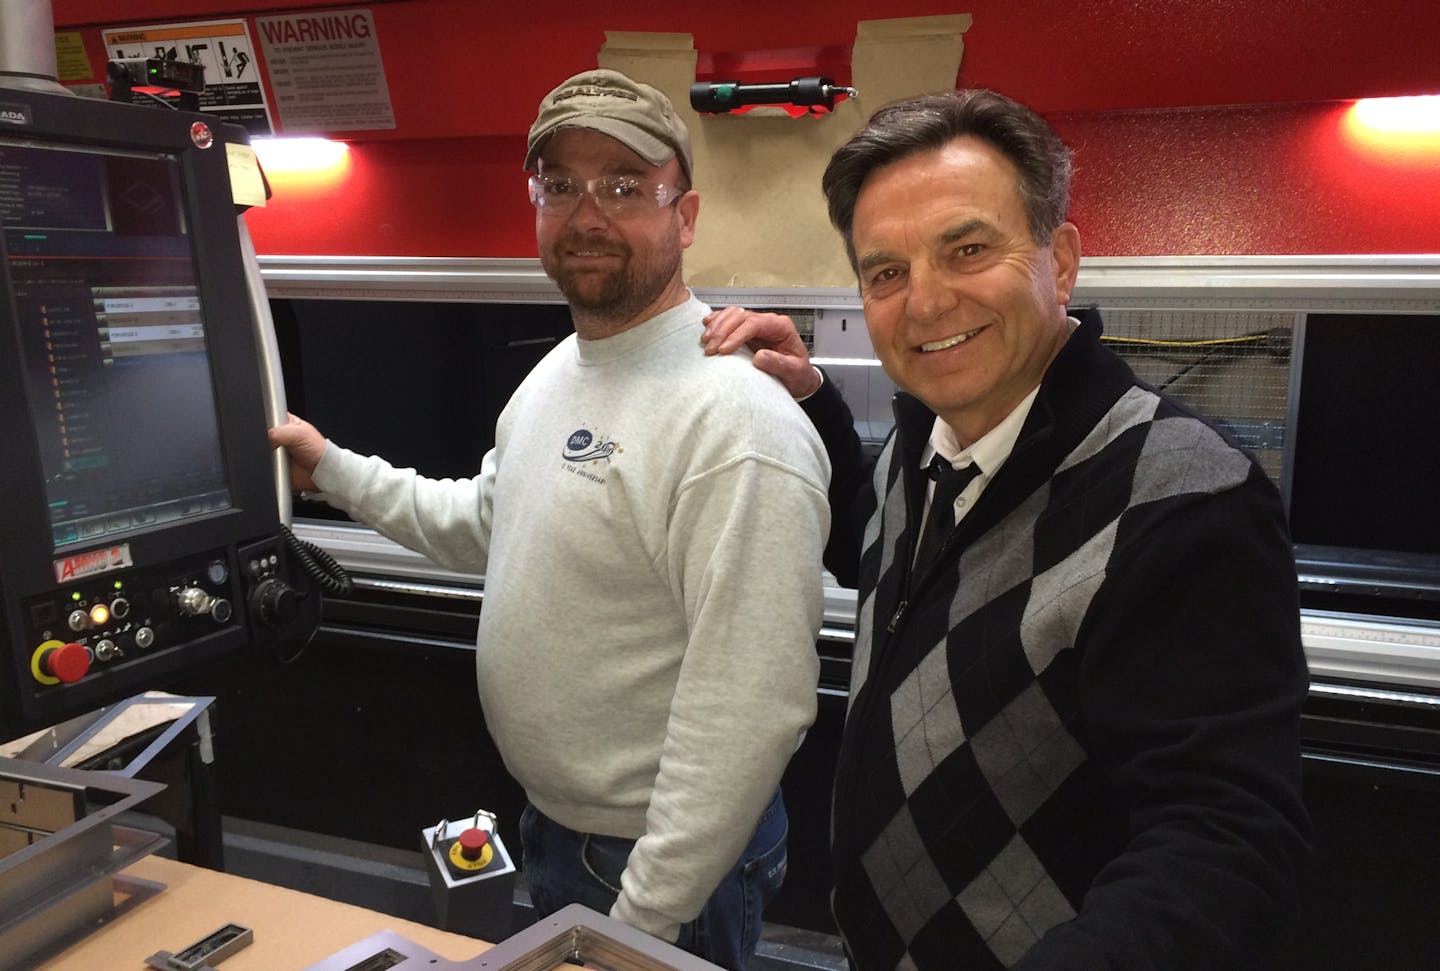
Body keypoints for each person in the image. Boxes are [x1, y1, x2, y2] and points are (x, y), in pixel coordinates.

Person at [701, 89, 1311, 970]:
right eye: (886, 272)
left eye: (968, 249)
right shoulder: (923, 442)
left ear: (1059, 262)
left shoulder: (1182, 495)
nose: (924, 303)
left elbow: (1225, 846)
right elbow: (877, 551)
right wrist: (816, 402)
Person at [269, 69, 831, 969]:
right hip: (561, 829)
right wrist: (328, 467)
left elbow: (751, 706)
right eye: (560, 186)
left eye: (621, 186)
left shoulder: (737, 421)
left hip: (658, 869)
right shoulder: (558, 374)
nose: (586, 213)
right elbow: (486, 524)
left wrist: (637, 923)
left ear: (684, 217)